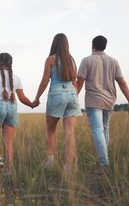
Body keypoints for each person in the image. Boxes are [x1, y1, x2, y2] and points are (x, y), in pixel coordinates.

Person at [76, 35, 129, 174]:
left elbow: (79, 82)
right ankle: (104, 161)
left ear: (92, 45)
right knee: (104, 129)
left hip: (93, 100)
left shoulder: (86, 60)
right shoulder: (114, 62)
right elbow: (122, 82)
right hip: (109, 101)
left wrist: (74, 98)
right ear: (105, 46)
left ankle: (104, 164)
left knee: (97, 130)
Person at [33, 33, 82, 174]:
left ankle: (50, 164)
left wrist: (36, 98)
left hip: (56, 94)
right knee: (69, 134)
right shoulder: (72, 61)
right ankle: (68, 168)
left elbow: (44, 82)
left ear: (54, 44)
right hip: (72, 95)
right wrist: (73, 97)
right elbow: (75, 83)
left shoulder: (51, 60)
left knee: (51, 130)